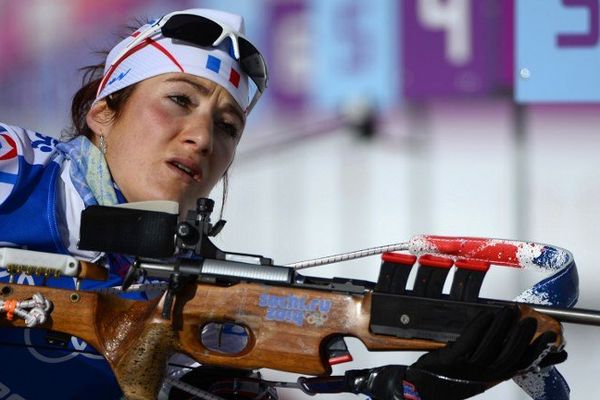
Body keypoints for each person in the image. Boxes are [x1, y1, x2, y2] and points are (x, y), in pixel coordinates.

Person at [0, 8, 565, 400]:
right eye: (177, 100)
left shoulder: (215, 301)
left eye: (227, 126)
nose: (201, 138)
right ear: (104, 112)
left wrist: (414, 389)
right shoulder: (16, 169)